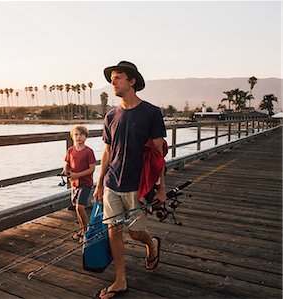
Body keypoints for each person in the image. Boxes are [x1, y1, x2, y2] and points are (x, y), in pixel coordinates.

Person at [93, 61, 167, 299]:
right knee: (113, 231)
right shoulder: (111, 115)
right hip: (112, 183)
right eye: (112, 79)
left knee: (135, 233)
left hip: (138, 185)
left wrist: (161, 189)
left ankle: (151, 244)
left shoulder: (152, 113)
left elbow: (158, 155)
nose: (113, 82)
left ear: (132, 81)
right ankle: (120, 279)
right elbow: (106, 152)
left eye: (117, 77)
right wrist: (98, 183)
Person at [63, 125, 97, 243]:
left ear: (85, 137)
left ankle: (86, 232)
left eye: (81, 134)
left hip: (86, 183)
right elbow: (67, 162)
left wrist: (77, 175)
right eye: (76, 134)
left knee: (80, 206)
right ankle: (81, 230)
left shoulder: (89, 151)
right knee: (77, 208)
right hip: (74, 183)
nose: (78, 137)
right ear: (72, 136)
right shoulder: (70, 150)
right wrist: (65, 170)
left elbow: (92, 169)